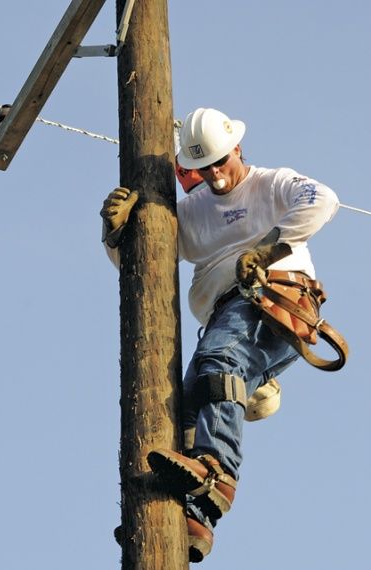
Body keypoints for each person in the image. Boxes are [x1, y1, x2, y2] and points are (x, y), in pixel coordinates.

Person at [101, 107, 340, 563]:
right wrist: (117, 234)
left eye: (219, 161)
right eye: (200, 167)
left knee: (220, 364)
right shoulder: (190, 213)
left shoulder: (271, 183)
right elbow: (145, 262)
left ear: (237, 149)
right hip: (224, 315)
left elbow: (322, 199)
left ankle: (218, 471)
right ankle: (192, 521)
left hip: (270, 299)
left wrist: (270, 248)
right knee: (186, 407)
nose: (214, 174)